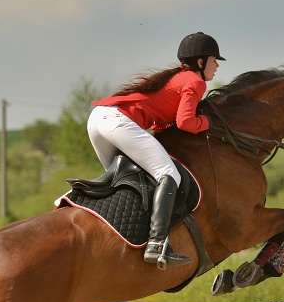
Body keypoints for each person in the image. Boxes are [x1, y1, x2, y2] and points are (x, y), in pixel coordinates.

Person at [88, 32, 224, 268]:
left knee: (125, 181)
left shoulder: (178, 78)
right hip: (118, 121)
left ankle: (119, 235)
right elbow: (186, 122)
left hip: (98, 119)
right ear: (201, 62)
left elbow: (162, 122)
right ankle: (157, 243)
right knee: (168, 174)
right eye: (215, 60)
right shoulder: (195, 81)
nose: (217, 66)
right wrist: (210, 123)